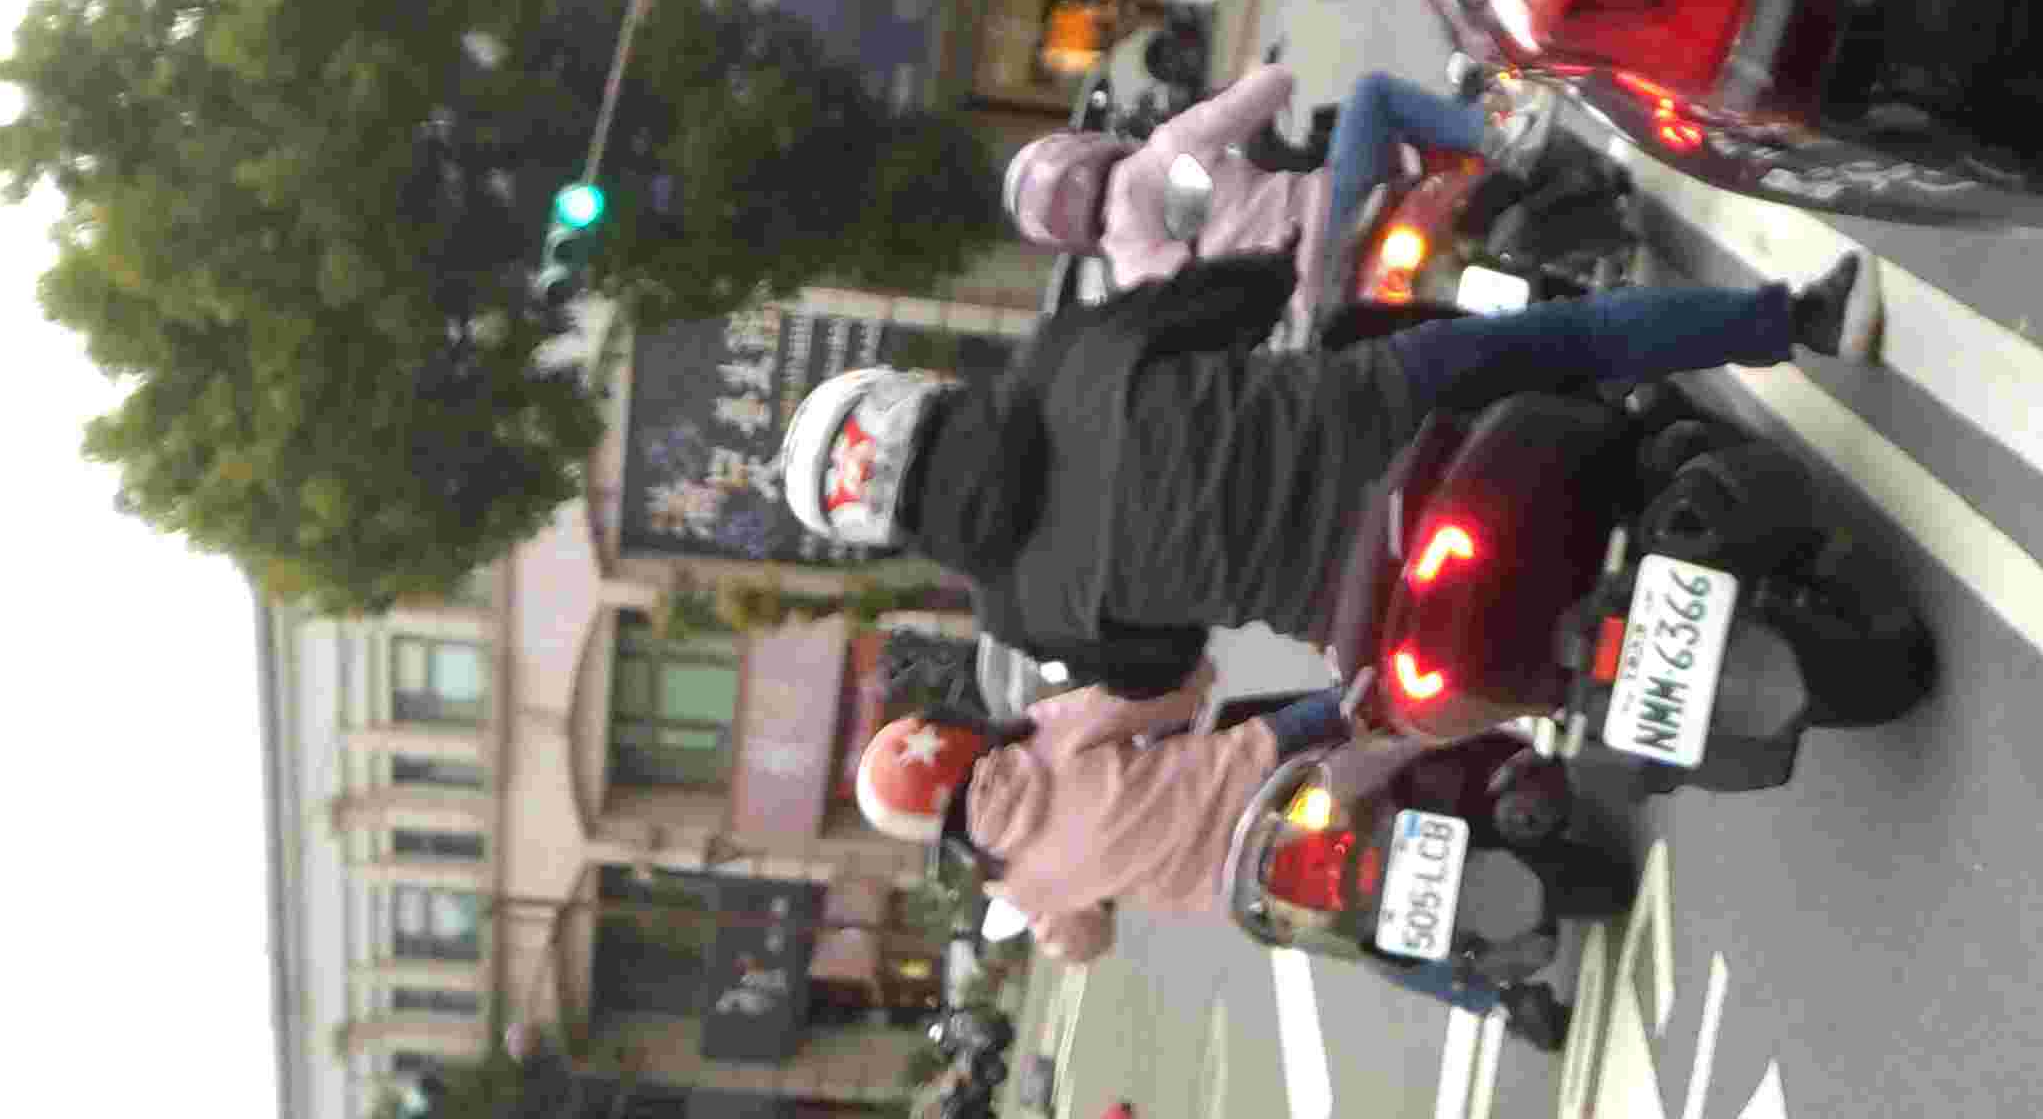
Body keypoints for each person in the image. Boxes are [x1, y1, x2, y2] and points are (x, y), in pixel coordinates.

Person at [779, 247, 1881, 694]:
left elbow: (1161, 663)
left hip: (1356, 601)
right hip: (1391, 409)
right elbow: (1249, 291)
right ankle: (1792, 319)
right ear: (909, 393)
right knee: (1574, 336)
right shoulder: (1064, 354)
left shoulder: (1018, 611)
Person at [850, 676, 1567, 1044]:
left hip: (1249, 882)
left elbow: (1084, 942)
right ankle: (1525, 714)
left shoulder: (1012, 881)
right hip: (1265, 759)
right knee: (1385, 701)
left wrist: (1092, 897)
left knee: (1359, 939)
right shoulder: (1044, 733)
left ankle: (1503, 1005)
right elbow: (1177, 691)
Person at [999, 57, 1521, 292]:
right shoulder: (1168, 146)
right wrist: (1248, 82)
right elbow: (1276, 83)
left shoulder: (1130, 275)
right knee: (1373, 93)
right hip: (1332, 213)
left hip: (1311, 298)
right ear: (1088, 148)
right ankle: (1506, 136)